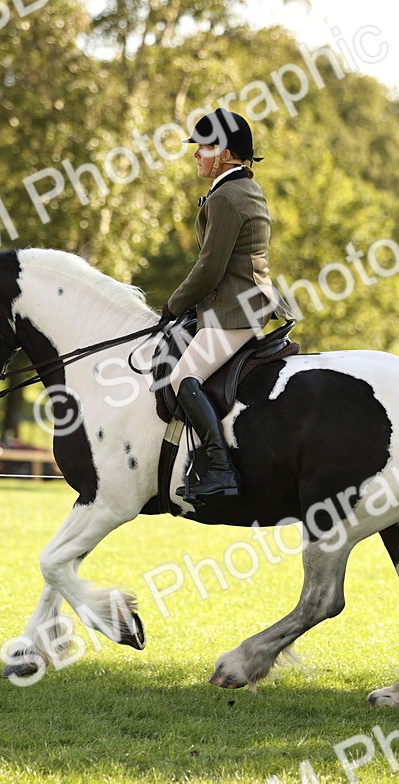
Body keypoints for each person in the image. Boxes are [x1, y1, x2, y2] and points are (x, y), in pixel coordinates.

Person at [160, 108, 297, 502]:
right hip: (241, 303)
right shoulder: (243, 188)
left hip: (236, 309)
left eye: (201, 147)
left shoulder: (227, 197)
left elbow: (209, 268)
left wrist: (173, 305)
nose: (195, 155)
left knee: (182, 378)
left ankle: (220, 467)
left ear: (222, 151)